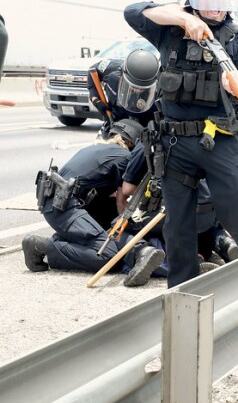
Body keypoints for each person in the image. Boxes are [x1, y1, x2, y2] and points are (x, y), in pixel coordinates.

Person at [124, 0, 238, 287]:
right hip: (175, 146)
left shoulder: (237, 38)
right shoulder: (171, 31)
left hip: (219, 141)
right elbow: (133, 11)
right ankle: (182, 295)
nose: (217, 4)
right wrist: (181, 18)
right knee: (179, 228)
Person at [22, 120, 165, 286]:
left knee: (105, 226)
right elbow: (122, 204)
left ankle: (68, 242)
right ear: (132, 143)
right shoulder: (124, 157)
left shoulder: (95, 149)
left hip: (57, 204)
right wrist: (128, 232)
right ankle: (43, 247)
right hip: (65, 208)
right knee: (107, 255)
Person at [87, 49, 161, 136]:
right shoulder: (111, 68)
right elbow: (92, 69)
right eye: (134, 87)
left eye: (142, 89)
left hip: (143, 128)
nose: (138, 91)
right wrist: (95, 98)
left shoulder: (161, 86)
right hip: (114, 122)